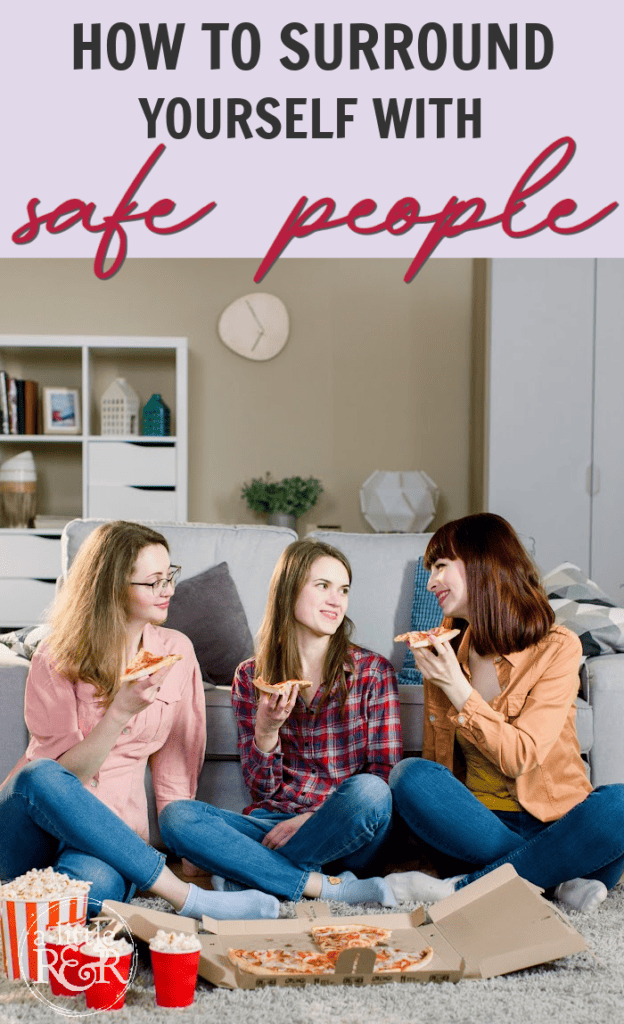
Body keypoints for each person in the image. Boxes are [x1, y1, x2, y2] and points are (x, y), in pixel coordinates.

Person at [0, 521, 278, 921]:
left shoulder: (176, 651)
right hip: (32, 828)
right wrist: (119, 712)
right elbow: (62, 779)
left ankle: (34, 906)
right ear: (113, 587)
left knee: (90, 894)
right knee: (38, 774)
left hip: (112, 837)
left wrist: (189, 849)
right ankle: (187, 899)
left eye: (170, 577)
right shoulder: (56, 656)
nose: (168, 590)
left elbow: (175, 770)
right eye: (153, 582)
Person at [383, 513, 624, 914]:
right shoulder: (445, 648)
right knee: (410, 777)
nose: (431, 583)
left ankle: (468, 887)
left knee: (618, 806)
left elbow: (522, 756)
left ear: (481, 564)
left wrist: (459, 691)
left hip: (556, 820)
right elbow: (438, 761)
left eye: (441, 566)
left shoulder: (557, 647)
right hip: (478, 827)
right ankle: (560, 879)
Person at [160, 538, 403, 905]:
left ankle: (248, 873)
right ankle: (316, 884)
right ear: (289, 591)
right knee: (177, 818)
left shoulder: (374, 672)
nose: (336, 600)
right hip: (272, 824)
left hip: (345, 829)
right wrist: (267, 731)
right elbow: (261, 792)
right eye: (322, 586)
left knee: (371, 792)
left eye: (343, 590)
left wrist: (312, 820)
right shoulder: (250, 677)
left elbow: (384, 780)